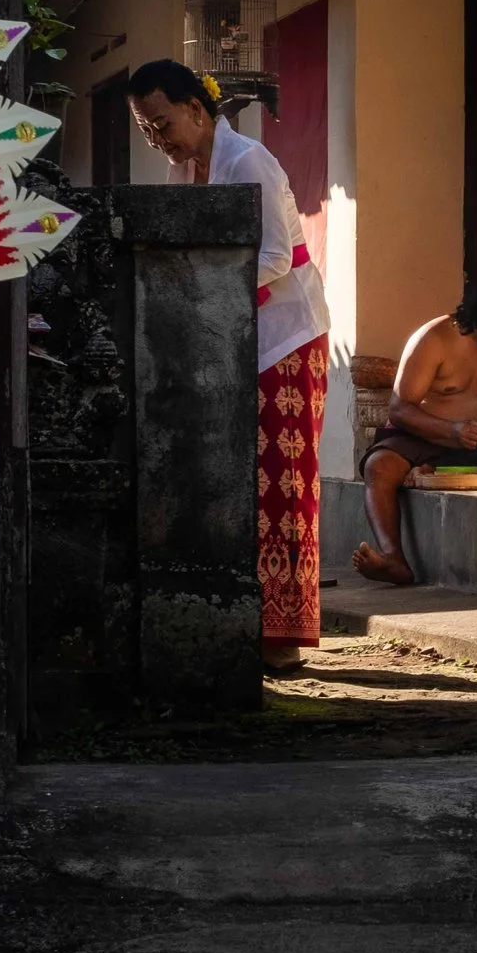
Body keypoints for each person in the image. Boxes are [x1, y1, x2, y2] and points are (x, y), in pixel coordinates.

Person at [129, 58, 331, 672]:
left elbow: (275, 255)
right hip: (232, 337)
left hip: (285, 339)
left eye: (161, 121)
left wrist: (206, 288)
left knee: (282, 481)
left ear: (197, 108)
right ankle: (252, 621)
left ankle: (284, 635)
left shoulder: (249, 163)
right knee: (242, 479)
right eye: (145, 127)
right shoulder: (183, 168)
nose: (156, 137)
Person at [352, 277, 477, 586]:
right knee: (380, 468)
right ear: (474, 314)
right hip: (422, 433)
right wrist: (452, 430)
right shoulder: (436, 337)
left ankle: (434, 470)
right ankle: (393, 558)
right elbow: (400, 408)